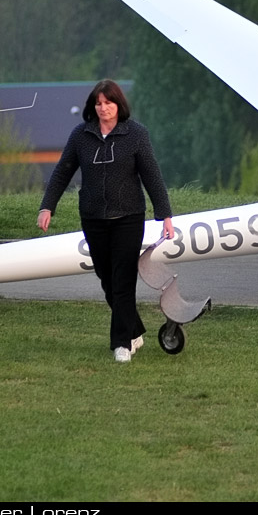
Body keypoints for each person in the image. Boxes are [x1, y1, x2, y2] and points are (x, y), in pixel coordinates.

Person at [38, 81, 174, 363]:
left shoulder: (136, 135)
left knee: (123, 279)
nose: (103, 108)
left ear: (118, 105)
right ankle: (134, 329)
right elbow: (62, 171)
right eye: (98, 103)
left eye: (108, 103)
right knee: (107, 280)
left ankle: (121, 344)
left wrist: (166, 216)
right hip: (93, 218)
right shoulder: (81, 136)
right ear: (93, 106)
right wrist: (47, 206)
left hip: (128, 218)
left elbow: (152, 176)